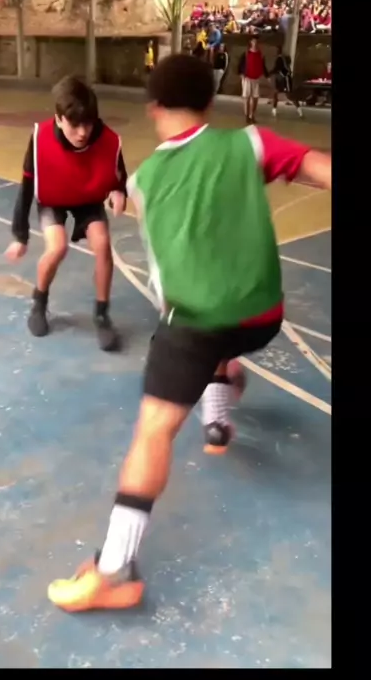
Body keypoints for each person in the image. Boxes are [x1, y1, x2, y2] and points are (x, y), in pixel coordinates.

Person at [47, 54, 332, 613]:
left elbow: (145, 212)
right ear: (210, 100)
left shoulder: (146, 180)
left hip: (196, 327)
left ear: (153, 107)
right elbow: (319, 167)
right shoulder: (250, 145)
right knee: (223, 342)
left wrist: (115, 198)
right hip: (262, 318)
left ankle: (112, 573)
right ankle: (217, 418)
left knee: (154, 429)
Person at [5, 76, 127, 351]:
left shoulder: (107, 139)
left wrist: (119, 192)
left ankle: (102, 315)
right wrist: (20, 236)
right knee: (57, 247)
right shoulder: (40, 139)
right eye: (75, 124)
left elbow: (119, 174)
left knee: (103, 245)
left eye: (88, 123)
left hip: (88, 198)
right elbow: (27, 186)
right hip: (54, 197)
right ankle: (39, 303)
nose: (83, 132)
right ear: (59, 119)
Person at [238, 37, 269, 124]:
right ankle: (247, 116)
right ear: (250, 42)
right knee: (247, 98)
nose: (255, 43)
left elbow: (263, 65)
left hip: (256, 78)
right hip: (247, 78)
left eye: (256, 41)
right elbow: (240, 64)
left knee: (255, 98)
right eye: (253, 41)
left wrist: (267, 76)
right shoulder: (246, 53)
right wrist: (241, 74)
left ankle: (252, 115)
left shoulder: (260, 54)